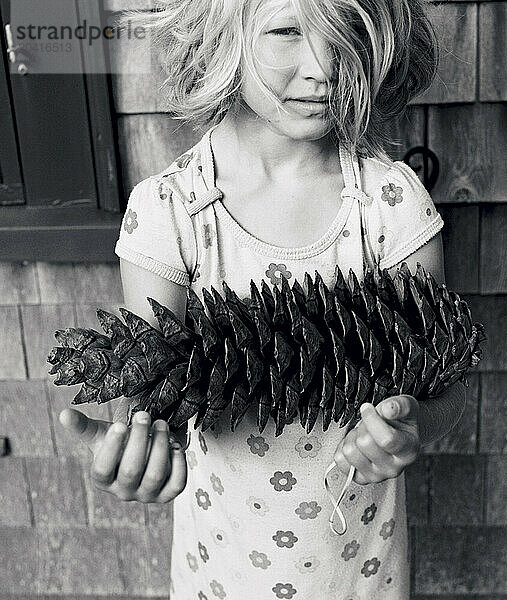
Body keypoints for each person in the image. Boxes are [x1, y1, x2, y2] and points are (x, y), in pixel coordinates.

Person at [59, 0, 468, 597]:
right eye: (284, 31)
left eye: (345, 31)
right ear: (218, 35)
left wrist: (413, 427)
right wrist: (143, 453)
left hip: (361, 574)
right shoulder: (170, 216)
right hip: (223, 571)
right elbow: (151, 401)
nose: (325, 66)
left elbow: (443, 387)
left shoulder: (390, 205)